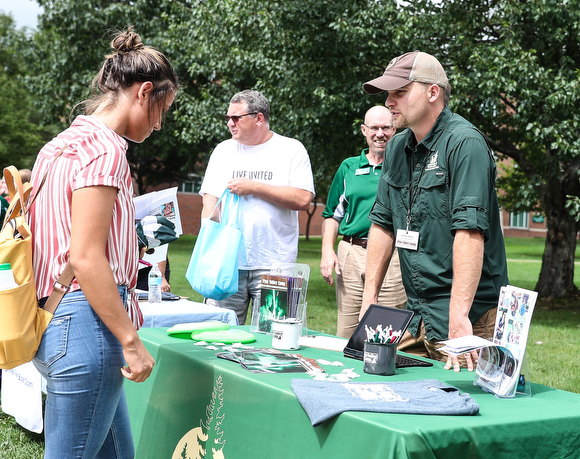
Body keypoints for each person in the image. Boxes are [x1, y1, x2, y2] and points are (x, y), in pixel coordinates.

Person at [27, 27, 177, 459]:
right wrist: (131, 341)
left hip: (54, 315)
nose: (160, 122)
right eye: (163, 108)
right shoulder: (106, 151)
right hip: (87, 326)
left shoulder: (59, 145)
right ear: (145, 92)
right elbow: (86, 256)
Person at [360, 51, 509, 372]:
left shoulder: (464, 144)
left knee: (473, 412)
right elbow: (383, 223)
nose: (389, 102)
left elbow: (469, 233)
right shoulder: (398, 147)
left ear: (432, 92)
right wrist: (369, 300)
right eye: (388, 93)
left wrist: (458, 318)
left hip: (469, 315)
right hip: (416, 312)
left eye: (400, 92)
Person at [199, 90, 315, 325]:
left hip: (276, 265)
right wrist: (209, 244)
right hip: (228, 264)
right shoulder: (223, 150)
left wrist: (254, 187)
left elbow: (303, 199)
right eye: (228, 118)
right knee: (218, 334)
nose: (230, 123)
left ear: (259, 118)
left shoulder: (291, 149)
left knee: (275, 338)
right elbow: (210, 201)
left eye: (236, 118)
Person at [321, 106, 407, 339]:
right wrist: (327, 251)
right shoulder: (348, 167)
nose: (380, 133)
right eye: (374, 128)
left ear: (394, 129)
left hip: (393, 257)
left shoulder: (407, 166)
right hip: (352, 253)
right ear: (364, 130)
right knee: (347, 330)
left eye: (386, 128)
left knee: (386, 332)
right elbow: (332, 215)